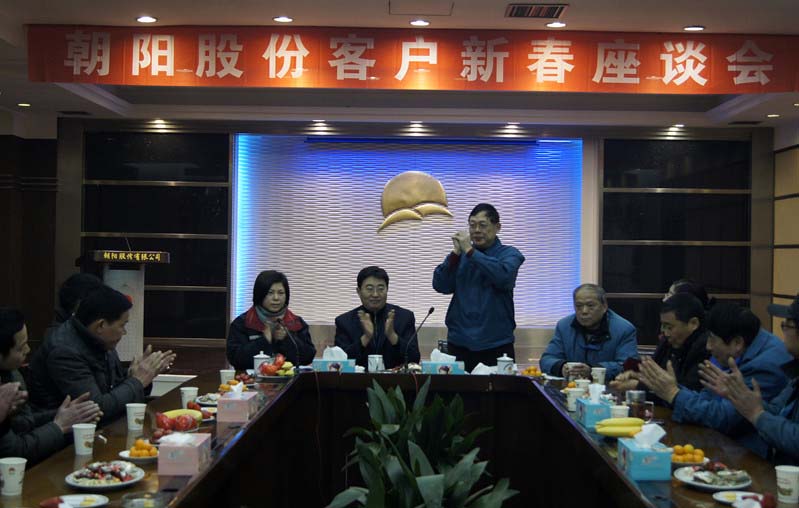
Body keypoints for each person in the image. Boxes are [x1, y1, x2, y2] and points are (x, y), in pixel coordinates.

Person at [637, 302, 791, 457]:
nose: (708, 347)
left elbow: (724, 419)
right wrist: (673, 390)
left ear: (737, 343)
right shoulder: (732, 351)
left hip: (751, 456)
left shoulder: (766, 365)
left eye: (712, 339)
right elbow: (707, 397)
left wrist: (674, 394)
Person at [27, 286, 175, 424]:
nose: (124, 332)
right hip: (69, 435)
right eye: (122, 325)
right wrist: (137, 381)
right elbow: (96, 409)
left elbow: (113, 389)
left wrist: (137, 377)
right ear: (101, 325)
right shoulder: (64, 352)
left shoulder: (101, 340)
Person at [700, 294, 799, 464]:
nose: (783, 333)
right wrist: (739, 396)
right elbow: (777, 410)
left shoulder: (768, 363)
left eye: (786, 325)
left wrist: (757, 415)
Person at [0, 307, 102, 464]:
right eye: (21, 347)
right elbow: (14, 453)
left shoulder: (11, 372)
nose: (28, 350)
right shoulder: (62, 350)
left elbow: (23, 423)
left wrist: (70, 414)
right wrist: (59, 426)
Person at [432, 203, 525, 371]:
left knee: (499, 389)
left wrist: (470, 251)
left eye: (483, 225)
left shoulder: (510, 254)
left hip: (496, 345)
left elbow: (503, 277)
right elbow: (440, 285)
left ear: (497, 227)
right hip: (459, 343)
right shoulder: (461, 256)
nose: (476, 230)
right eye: (472, 225)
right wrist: (455, 254)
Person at [610, 293, 709, 394]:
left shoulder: (705, 349)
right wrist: (638, 376)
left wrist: (638, 386)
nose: (664, 332)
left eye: (669, 327)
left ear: (693, 323)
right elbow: (656, 376)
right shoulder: (668, 342)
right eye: (663, 325)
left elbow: (685, 392)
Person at [540, 284, 638, 381]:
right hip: (571, 387)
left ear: (604, 306)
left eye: (590, 305)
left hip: (608, 388)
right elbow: (546, 360)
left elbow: (627, 367)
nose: (584, 311)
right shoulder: (564, 326)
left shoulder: (624, 329)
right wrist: (561, 368)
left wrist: (592, 370)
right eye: (579, 306)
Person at [227, 270, 316, 371]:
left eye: (281, 293)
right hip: (252, 379)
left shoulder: (297, 323)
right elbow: (235, 359)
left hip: (290, 379)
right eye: (270, 293)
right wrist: (264, 340)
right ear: (260, 294)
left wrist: (286, 339)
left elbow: (308, 357)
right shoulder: (242, 323)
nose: (276, 298)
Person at [335, 266, 419, 369]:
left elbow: (414, 359)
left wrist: (393, 336)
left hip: (395, 378)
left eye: (381, 289)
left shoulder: (404, 318)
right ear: (359, 291)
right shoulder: (344, 322)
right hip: (358, 379)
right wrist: (365, 338)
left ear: (387, 289)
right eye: (369, 289)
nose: (375, 294)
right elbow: (339, 363)